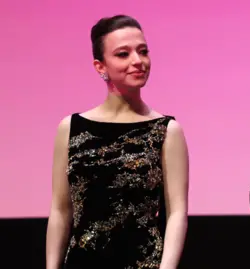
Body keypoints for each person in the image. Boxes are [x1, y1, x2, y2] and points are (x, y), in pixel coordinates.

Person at [45, 15, 189, 269]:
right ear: (100, 66)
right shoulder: (71, 128)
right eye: (123, 54)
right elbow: (60, 211)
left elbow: (177, 213)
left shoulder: (166, 131)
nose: (138, 61)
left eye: (143, 51)